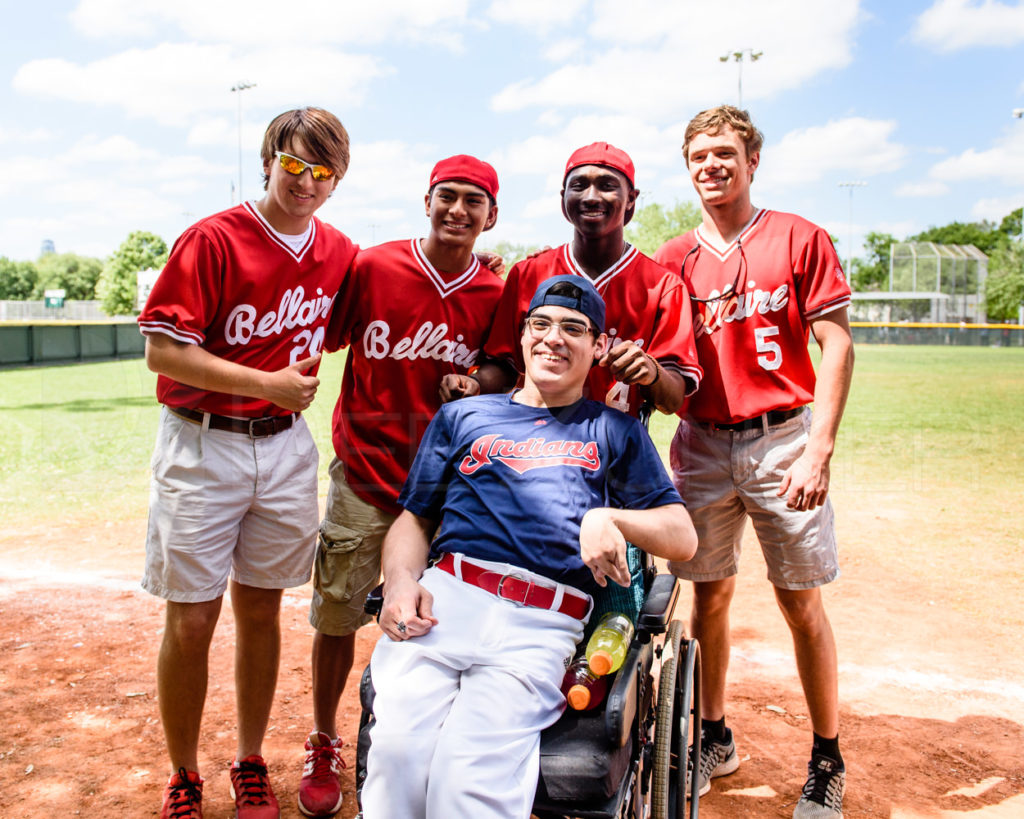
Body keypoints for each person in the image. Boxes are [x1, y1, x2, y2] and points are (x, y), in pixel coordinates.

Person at [360, 275, 697, 819]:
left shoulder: (614, 431)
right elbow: (413, 520)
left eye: (573, 328)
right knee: (396, 761)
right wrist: (401, 583)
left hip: (540, 623)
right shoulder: (463, 417)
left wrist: (608, 516)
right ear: (521, 337)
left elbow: (682, 537)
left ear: (598, 346)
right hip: (447, 600)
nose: (553, 338)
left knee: (467, 782)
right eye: (540, 325)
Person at [137, 108, 358, 819]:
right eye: (295, 164)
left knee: (261, 610)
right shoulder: (213, 238)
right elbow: (162, 351)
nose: (306, 181)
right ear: (269, 159)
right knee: (193, 618)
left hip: (286, 447)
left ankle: (250, 758)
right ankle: (183, 771)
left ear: (337, 181)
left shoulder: (339, 252)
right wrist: (264, 381)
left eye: (323, 172)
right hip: (203, 444)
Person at [654, 105, 855, 818]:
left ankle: (826, 756)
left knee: (800, 600)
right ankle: (714, 735)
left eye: (724, 153)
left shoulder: (798, 236)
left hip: (783, 439)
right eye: (699, 154)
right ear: (688, 166)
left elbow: (836, 342)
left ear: (752, 160)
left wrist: (819, 447)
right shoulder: (672, 256)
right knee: (707, 593)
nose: (711, 164)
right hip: (701, 443)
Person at [296, 156, 505, 817]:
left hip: (449, 489)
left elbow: (503, 368)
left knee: (435, 620)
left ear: (491, 215)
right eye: (448, 196)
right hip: (366, 471)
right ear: (426, 200)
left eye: (474, 201)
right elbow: (318, 337)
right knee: (337, 614)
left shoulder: (494, 292)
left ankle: (422, 737)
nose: (459, 210)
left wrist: (478, 382)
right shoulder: (374, 266)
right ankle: (325, 738)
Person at [441, 141, 702, 419]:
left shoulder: (663, 286)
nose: (591, 196)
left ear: (631, 200)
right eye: (579, 185)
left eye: (607, 185)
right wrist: (477, 383)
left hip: (617, 450)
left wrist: (653, 373)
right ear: (564, 199)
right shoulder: (528, 273)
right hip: (534, 443)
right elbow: (506, 365)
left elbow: (672, 400)